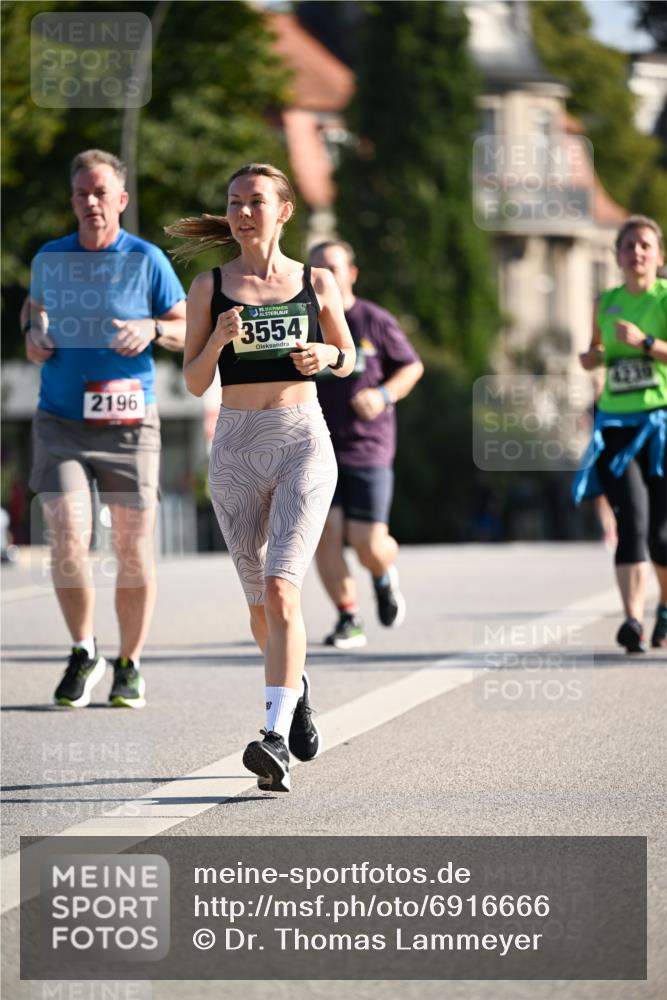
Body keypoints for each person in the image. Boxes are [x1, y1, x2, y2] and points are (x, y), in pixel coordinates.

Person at [166, 163, 355, 792]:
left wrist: (328, 355)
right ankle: (295, 690)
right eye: (235, 202)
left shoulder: (316, 280)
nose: (243, 212)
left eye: (255, 201)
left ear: (284, 211)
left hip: (302, 440)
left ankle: (272, 737)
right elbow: (194, 382)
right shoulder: (209, 287)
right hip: (236, 449)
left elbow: (348, 357)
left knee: (282, 590)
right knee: (259, 610)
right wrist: (217, 342)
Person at [22, 149, 186, 707]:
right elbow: (32, 308)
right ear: (72, 201)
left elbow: (188, 329)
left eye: (101, 193)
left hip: (128, 423)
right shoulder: (51, 257)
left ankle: (130, 663)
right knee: (68, 537)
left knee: (132, 548)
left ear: (121, 199)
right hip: (61, 420)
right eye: (81, 194)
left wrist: (151, 329)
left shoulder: (146, 260)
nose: (91, 203)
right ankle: (83, 648)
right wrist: (33, 333)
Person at [308, 241, 423, 649]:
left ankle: (382, 573)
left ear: (351, 273)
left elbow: (412, 366)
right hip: (317, 445)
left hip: (368, 446)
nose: (326, 276)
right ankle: (348, 617)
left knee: (368, 543)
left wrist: (384, 396)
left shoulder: (373, 320)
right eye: (317, 269)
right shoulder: (306, 322)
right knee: (325, 534)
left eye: (334, 268)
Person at [575, 215, 667, 652]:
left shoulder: (664, 299)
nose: (637, 252)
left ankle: (664, 607)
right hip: (615, 423)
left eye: (645, 245)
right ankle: (632, 619)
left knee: (662, 534)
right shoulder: (605, 301)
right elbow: (594, 354)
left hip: (660, 423)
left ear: (658, 255)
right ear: (617, 255)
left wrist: (647, 344)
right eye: (629, 245)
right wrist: (591, 357)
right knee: (632, 520)